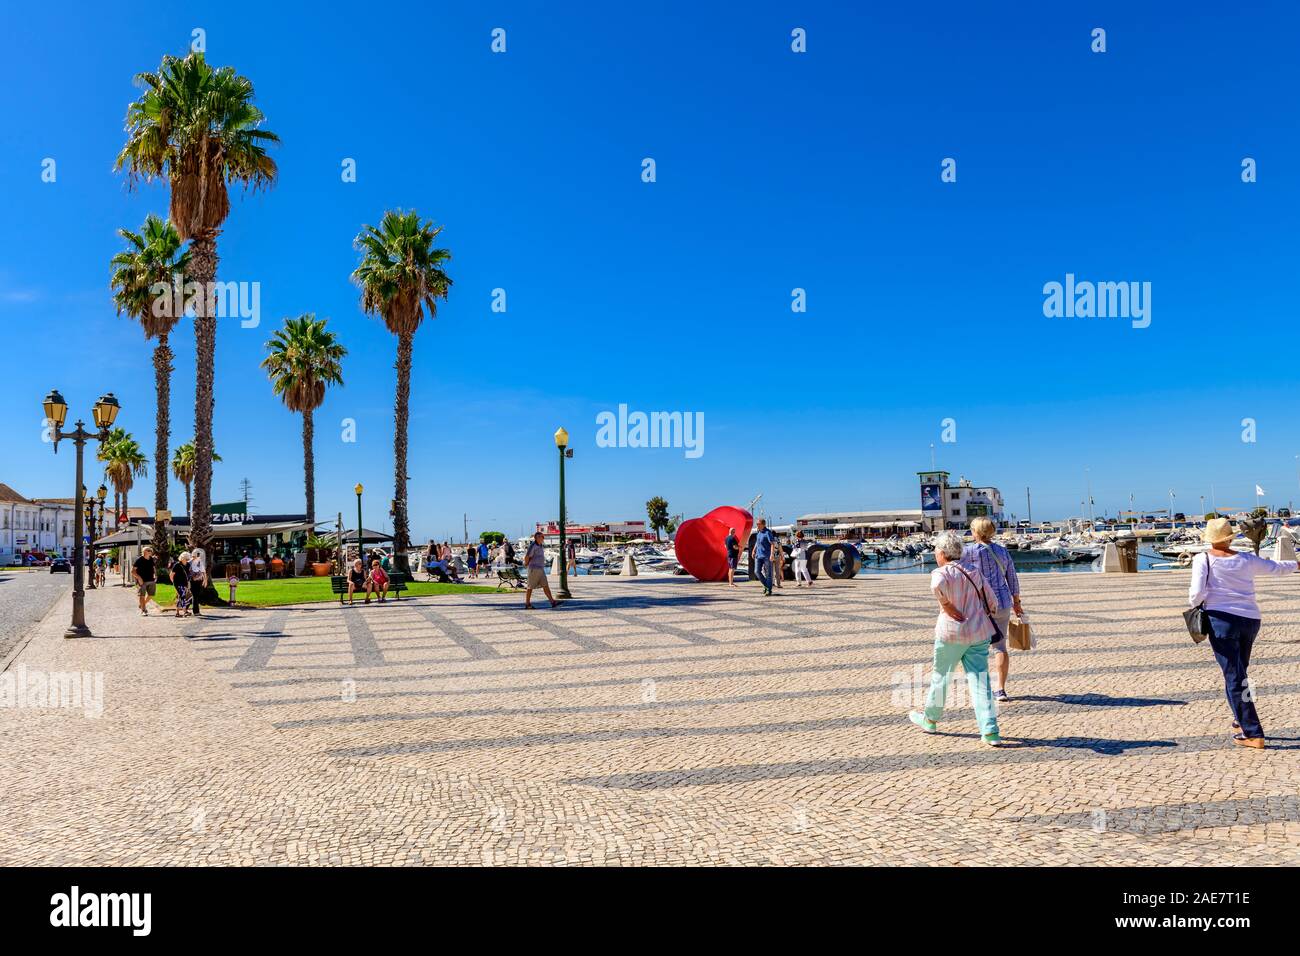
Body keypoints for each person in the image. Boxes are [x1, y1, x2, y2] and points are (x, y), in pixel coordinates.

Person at [1188, 517, 1299, 749]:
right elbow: (1276, 568)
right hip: (1250, 620)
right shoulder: (1246, 559)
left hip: (1222, 621)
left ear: (1210, 539)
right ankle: (1240, 720)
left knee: (1234, 676)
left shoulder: (1203, 559)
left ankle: (1253, 732)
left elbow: (1196, 594)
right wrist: (1296, 565)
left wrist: (1198, 603)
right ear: (1230, 538)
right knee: (1240, 673)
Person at [908, 530, 1002, 747]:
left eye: (936, 551)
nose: (935, 554)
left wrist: (947, 604)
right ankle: (990, 731)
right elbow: (993, 602)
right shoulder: (974, 572)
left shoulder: (942, 572)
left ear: (942, 552)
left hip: (950, 634)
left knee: (941, 676)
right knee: (980, 681)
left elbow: (936, 585)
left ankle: (930, 720)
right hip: (978, 633)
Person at [960, 516, 1023, 701]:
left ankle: (980, 689)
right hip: (1002, 602)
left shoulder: (968, 552)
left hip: (978, 604)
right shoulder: (1003, 551)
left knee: (975, 648)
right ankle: (1001, 689)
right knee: (1000, 646)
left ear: (976, 532)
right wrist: (1017, 603)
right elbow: (1012, 577)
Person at [523, 531, 559, 609]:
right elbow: (527, 556)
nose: (543, 538)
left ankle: (552, 602)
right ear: (537, 538)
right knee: (530, 587)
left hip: (540, 569)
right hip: (534, 569)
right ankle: (527, 603)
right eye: (541, 537)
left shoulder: (540, 545)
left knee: (545, 585)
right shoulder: (533, 546)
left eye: (543, 537)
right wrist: (526, 564)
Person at [752, 519, 776, 596]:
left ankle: (768, 589)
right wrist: (753, 550)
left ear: (763, 524)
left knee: (768, 574)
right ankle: (767, 586)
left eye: (758, 524)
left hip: (766, 556)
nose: (757, 525)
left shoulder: (767, 533)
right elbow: (757, 542)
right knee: (756, 571)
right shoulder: (758, 532)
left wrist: (772, 554)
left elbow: (772, 544)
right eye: (757, 524)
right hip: (758, 556)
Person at [133, 545, 157, 616]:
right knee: (142, 596)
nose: (151, 552)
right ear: (144, 552)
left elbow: (153, 567)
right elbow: (133, 571)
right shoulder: (139, 560)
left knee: (151, 595)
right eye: (149, 550)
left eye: (151, 551)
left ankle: (142, 605)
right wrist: (139, 578)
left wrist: (156, 574)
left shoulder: (151, 559)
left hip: (151, 579)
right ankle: (143, 610)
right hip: (142, 581)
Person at [171, 551, 192, 618]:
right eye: (185, 558)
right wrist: (173, 583)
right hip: (178, 583)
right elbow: (171, 575)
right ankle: (185, 611)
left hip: (185, 583)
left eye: (187, 558)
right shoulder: (177, 565)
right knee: (182, 597)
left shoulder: (188, 565)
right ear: (182, 558)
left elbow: (188, 574)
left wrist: (188, 583)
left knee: (181, 597)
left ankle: (177, 612)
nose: (187, 559)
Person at [188, 547, 206, 617]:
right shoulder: (190, 562)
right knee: (195, 595)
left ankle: (186, 605)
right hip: (193, 581)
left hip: (199, 580)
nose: (198, 556)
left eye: (198, 555)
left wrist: (205, 580)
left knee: (196, 595)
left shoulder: (199, 561)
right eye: (196, 555)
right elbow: (188, 570)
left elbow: (202, 571)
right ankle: (196, 611)